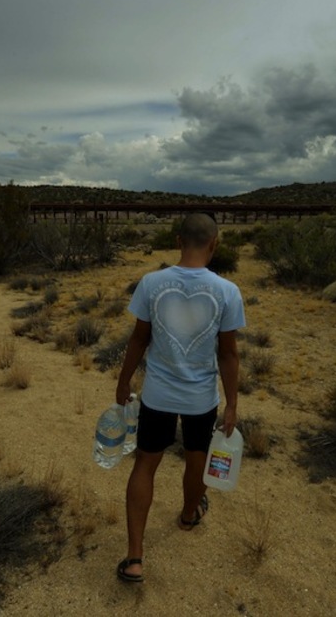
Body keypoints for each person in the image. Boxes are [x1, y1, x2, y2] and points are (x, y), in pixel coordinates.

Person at [114, 212, 245, 584]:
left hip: (157, 393)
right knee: (196, 458)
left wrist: (124, 381)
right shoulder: (227, 291)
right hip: (200, 398)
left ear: (177, 241)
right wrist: (232, 404)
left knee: (145, 464)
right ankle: (189, 515)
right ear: (214, 244)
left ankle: (135, 558)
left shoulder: (151, 283)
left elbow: (139, 338)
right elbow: (228, 354)